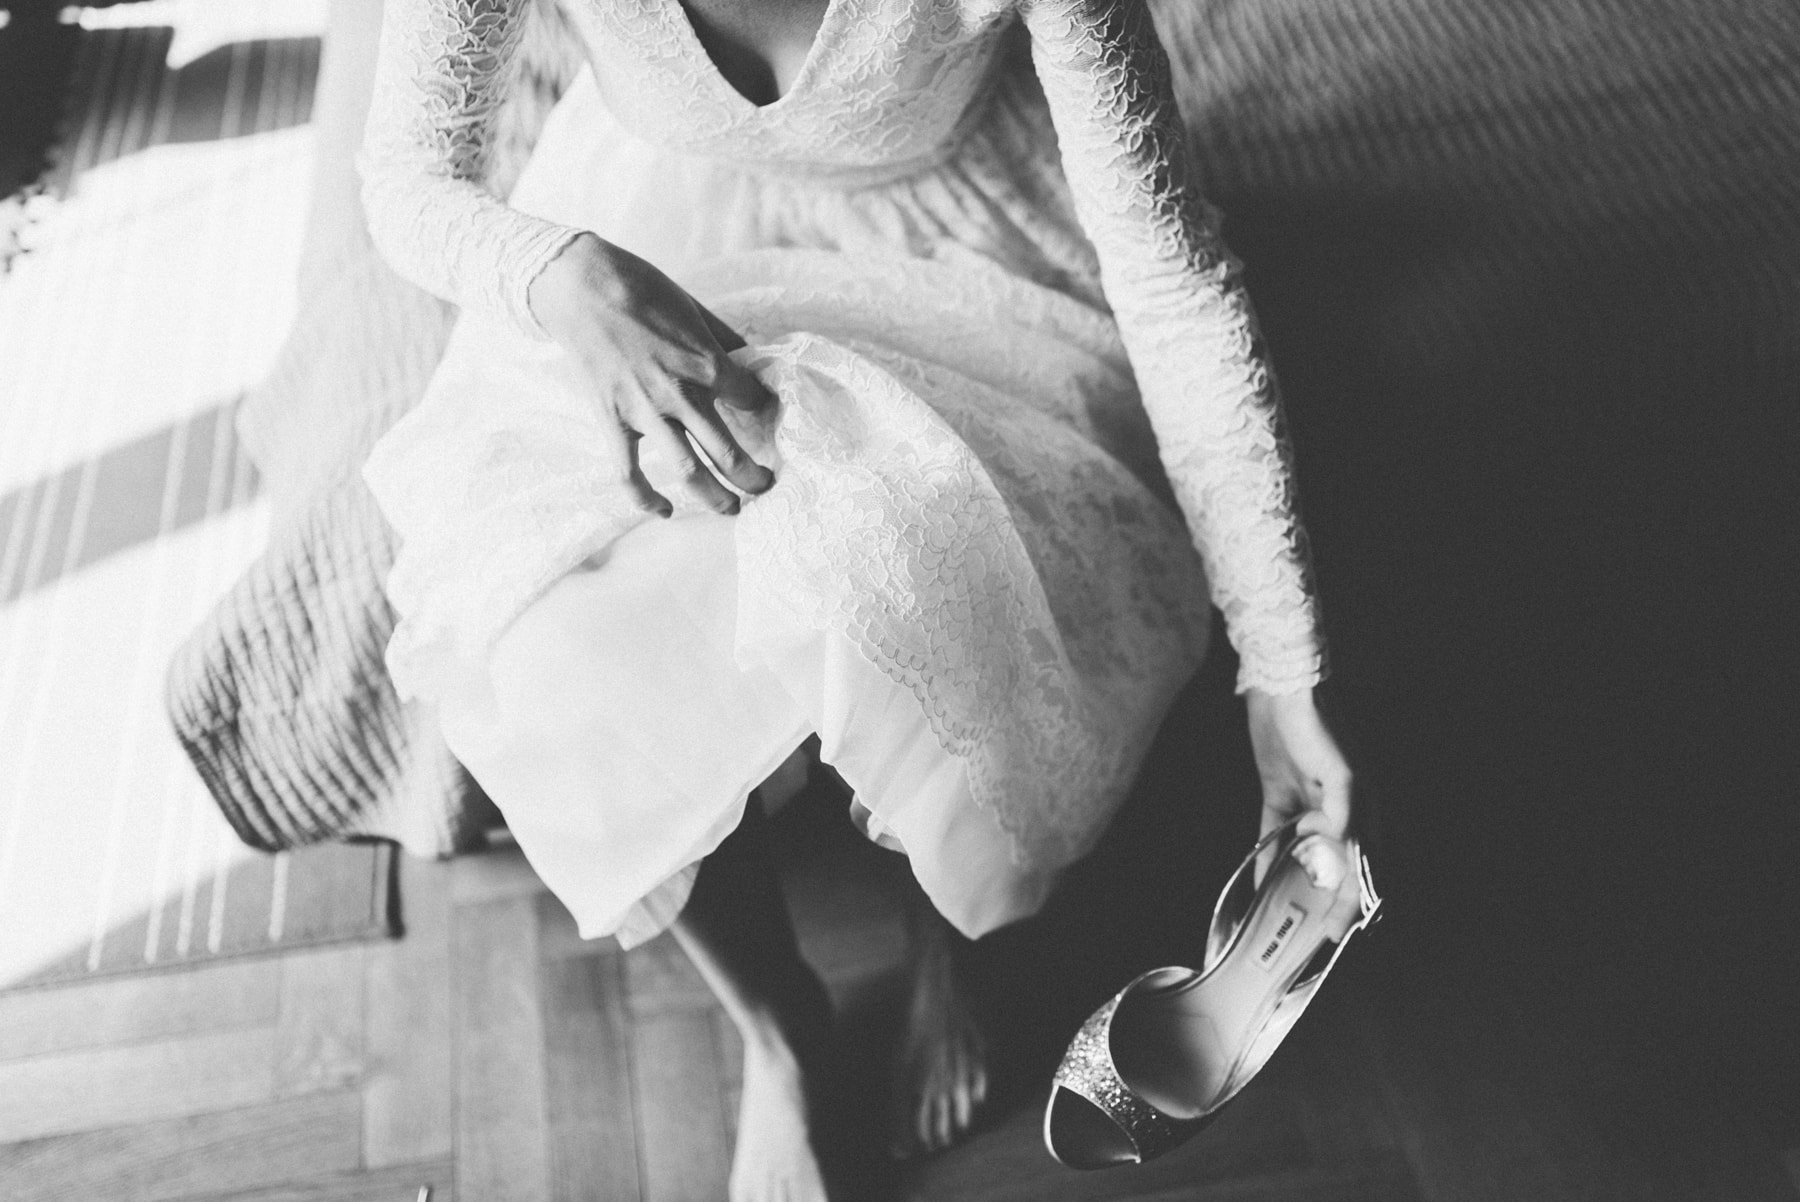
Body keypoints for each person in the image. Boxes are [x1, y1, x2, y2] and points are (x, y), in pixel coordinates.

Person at [358, 1, 1353, 1197]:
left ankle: (946, 938)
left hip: (959, 249)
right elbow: (406, 178)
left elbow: (1176, 293)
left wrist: (1280, 668)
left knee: (921, 547)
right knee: (547, 631)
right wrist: (563, 277)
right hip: (645, 243)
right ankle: (779, 1029)